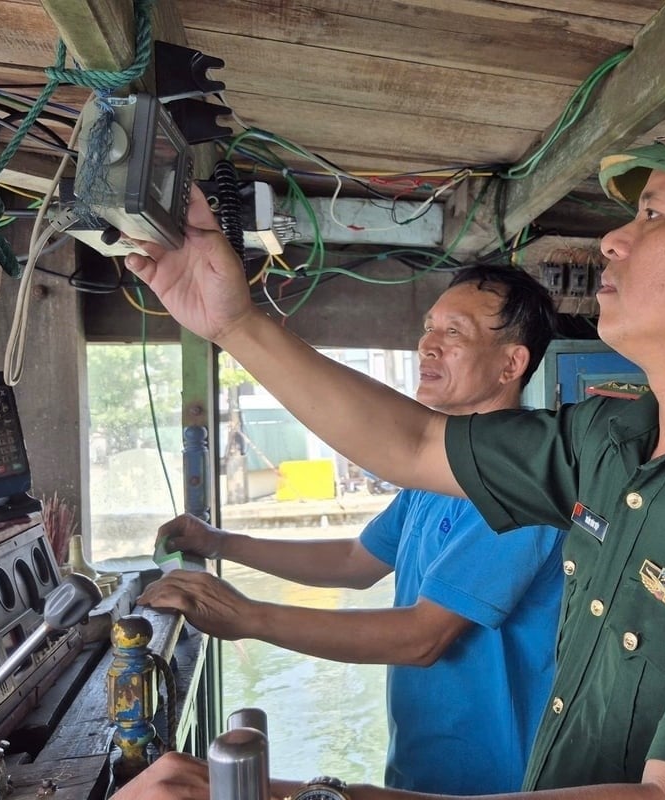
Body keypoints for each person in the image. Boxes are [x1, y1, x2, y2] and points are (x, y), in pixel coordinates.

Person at [120, 104, 665, 800]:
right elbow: (413, 442)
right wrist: (234, 322)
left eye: (653, 216)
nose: (610, 239)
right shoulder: (611, 441)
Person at [139, 265, 567, 794]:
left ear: (512, 364)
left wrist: (246, 615)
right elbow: (354, 562)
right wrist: (220, 542)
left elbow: (423, 637)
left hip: (494, 780)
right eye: (429, 328)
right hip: (420, 767)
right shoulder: (437, 476)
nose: (429, 345)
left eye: (454, 333)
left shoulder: (524, 483)